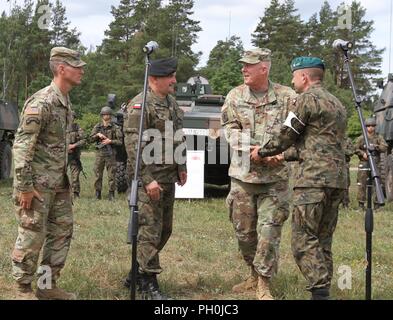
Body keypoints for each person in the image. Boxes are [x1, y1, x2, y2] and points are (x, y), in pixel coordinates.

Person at [251, 57, 347, 300]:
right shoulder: (337, 104)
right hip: (336, 180)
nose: (292, 80)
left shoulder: (305, 99)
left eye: (294, 76)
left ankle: (320, 293)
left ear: (304, 77)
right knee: (323, 239)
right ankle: (323, 288)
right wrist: (284, 156)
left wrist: (262, 151)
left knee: (303, 240)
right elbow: (318, 146)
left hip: (311, 182)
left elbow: (286, 134)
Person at [221, 48, 297, 300]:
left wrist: (277, 152)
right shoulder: (235, 96)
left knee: (269, 232)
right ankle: (252, 274)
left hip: (275, 180)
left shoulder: (288, 97)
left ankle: (263, 283)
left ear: (264, 68)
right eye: (243, 64)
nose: (244, 69)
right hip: (243, 177)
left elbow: (297, 132)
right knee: (244, 233)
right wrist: (252, 149)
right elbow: (228, 128)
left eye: (250, 65)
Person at [11, 47, 85, 300]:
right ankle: (23, 289)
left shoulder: (64, 102)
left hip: (59, 184)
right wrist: (23, 187)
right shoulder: (42, 101)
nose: (82, 70)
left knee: (61, 233)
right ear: (61, 69)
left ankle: (46, 285)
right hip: (36, 186)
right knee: (32, 234)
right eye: (77, 66)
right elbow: (21, 146)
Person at [123, 57, 187, 299]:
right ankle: (149, 283)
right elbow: (132, 147)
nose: (174, 80)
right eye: (169, 77)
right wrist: (147, 179)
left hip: (168, 176)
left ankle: (136, 272)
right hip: (148, 179)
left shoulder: (172, 103)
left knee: (164, 230)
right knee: (149, 230)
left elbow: (178, 135)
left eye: (174, 76)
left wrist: (181, 164)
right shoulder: (140, 106)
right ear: (153, 80)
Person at [355, 117, 388, 210]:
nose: (370, 128)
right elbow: (355, 149)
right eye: (368, 126)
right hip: (364, 163)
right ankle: (361, 205)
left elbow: (385, 147)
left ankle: (377, 205)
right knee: (362, 184)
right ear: (365, 127)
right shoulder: (361, 138)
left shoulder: (379, 137)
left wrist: (375, 147)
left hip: (375, 163)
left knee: (377, 183)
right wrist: (362, 153)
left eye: (372, 126)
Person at [90, 107, 123, 201]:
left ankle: (111, 194)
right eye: (104, 114)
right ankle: (97, 193)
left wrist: (110, 141)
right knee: (97, 174)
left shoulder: (115, 127)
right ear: (102, 116)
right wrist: (97, 135)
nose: (106, 116)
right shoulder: (97, 126)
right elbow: (90, 139)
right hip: (100, 154)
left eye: (108, 114)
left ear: (110, 116)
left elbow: (120, 142)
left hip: (111, 154)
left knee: (112, 175)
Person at [68, 111, 86, 198]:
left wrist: (73, 145)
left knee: (75, 176)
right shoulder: (60, 127)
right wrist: (65, 147)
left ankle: (75, 193)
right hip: (62, 156)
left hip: (74, 155)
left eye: (72, 117)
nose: (70, 118)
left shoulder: (77, 127)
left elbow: (83, 140)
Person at [341, 136, 355, 208]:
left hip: (344, 164)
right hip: (332, 165)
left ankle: (345, 203)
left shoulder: (347, 140)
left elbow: (352, 152)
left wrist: (343, 150)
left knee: (346, 184)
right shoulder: (331, 138)